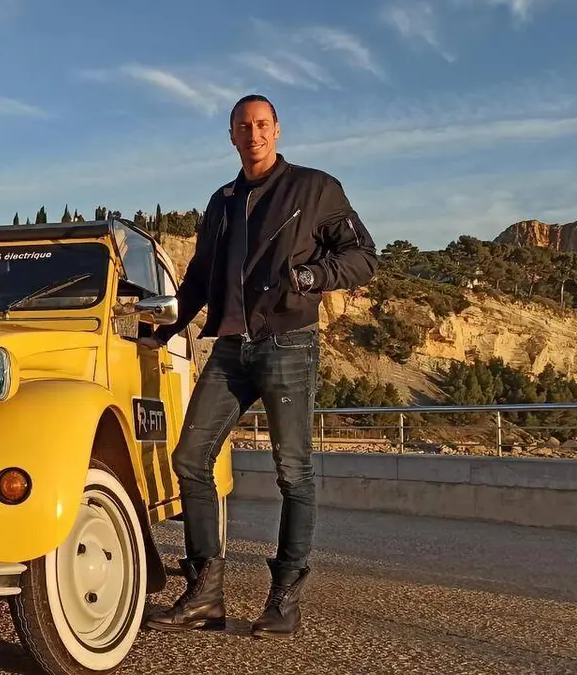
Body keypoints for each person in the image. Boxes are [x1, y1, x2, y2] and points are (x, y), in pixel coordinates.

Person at [140, 94, 378, 639]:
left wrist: (312, 278)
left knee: (293, 472)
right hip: (230, 348)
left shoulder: (315, 188)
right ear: (231, 135)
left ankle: (284, 599)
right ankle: (205, 596)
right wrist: (167, 330)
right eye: (243, 126)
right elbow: (200, 277)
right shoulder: (222, 201)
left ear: (277, 130)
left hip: (288, 343)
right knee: (190, 458)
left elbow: (364, 256)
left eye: (262, 124)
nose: (254, 134)